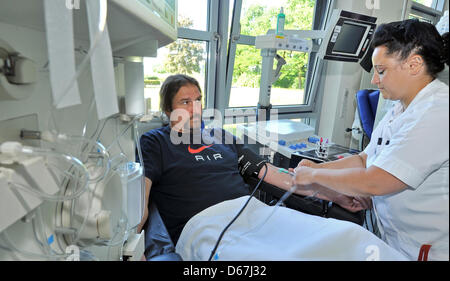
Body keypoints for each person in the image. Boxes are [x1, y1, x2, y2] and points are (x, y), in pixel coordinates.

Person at [136, 74, 366, 246]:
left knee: (348, 237)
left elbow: (272, 173)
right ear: (167, 109)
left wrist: (332, 194)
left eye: (198, 100)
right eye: (185, 102)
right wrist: (135, 245)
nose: (195, 108)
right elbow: (140, 198)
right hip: (206, 226)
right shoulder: (155, 141)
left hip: (252, 213)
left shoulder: (221, 136)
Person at [293, 19, 449, 261]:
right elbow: (365, 159)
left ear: (414, 64)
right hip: (394, 238)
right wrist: (316, 167)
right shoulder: (400, 107)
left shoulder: (439, 112)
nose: (375, 80)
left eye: (381, 70)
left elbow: (376, 181)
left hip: (427, 248)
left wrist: (313, 177)